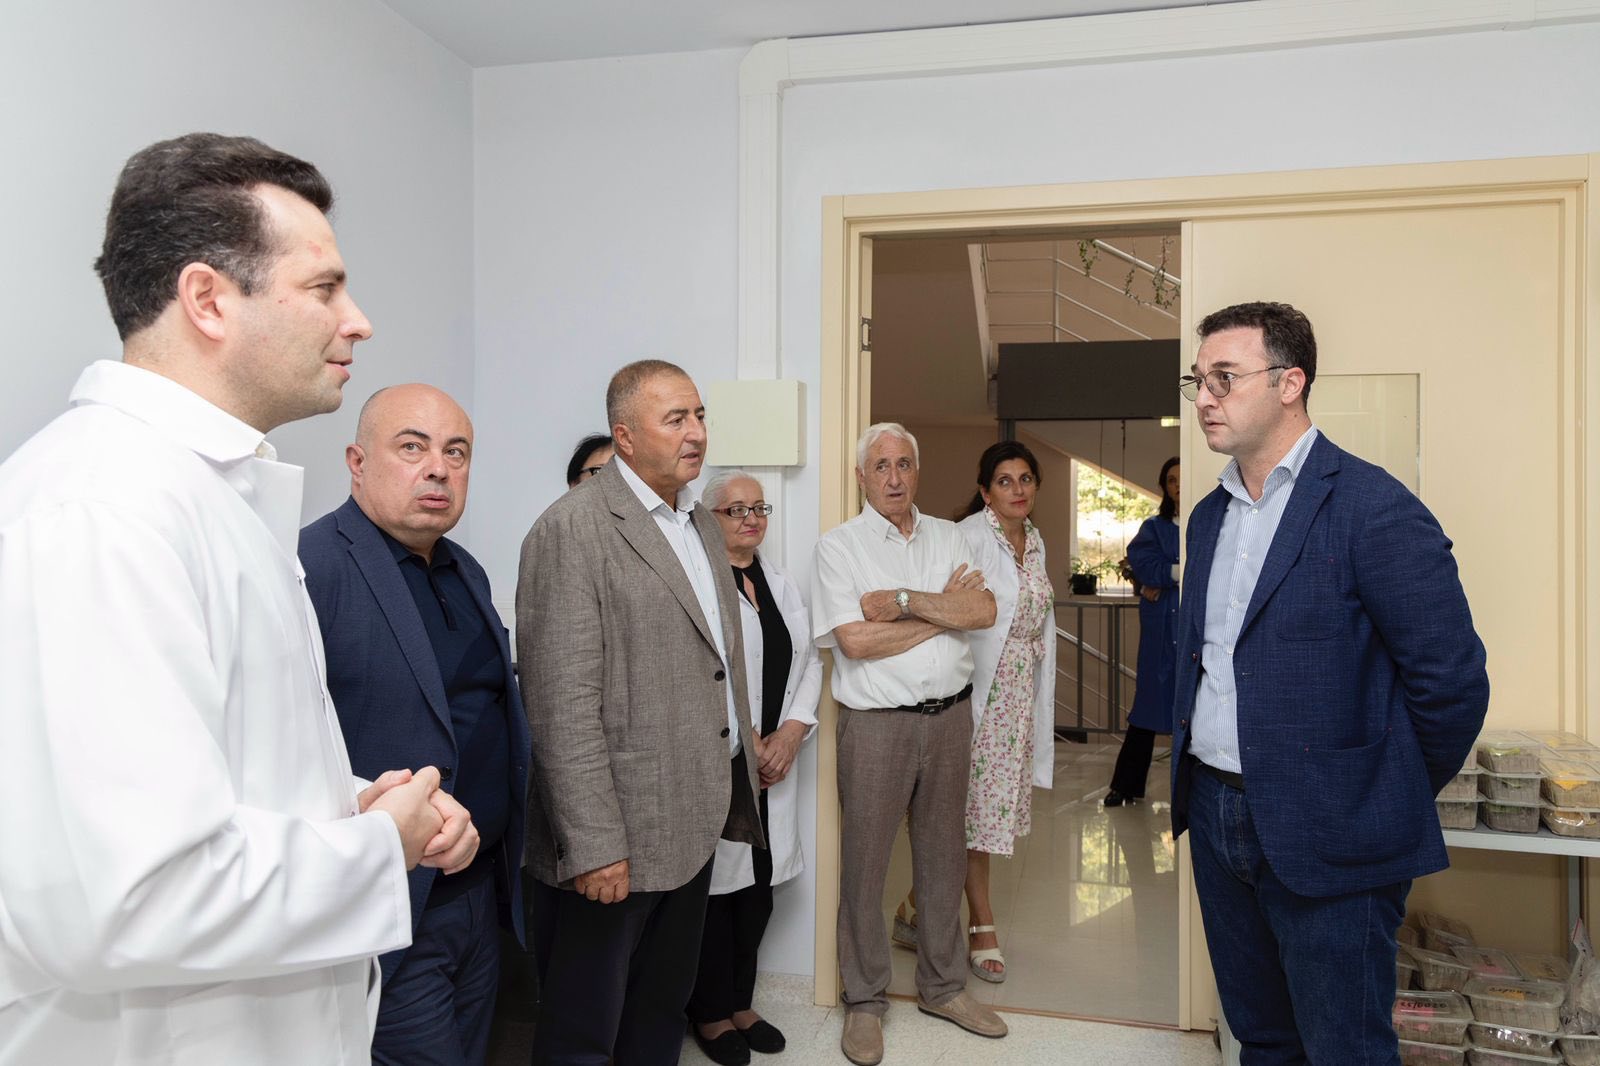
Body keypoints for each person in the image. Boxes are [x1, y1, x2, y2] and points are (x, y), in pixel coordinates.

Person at [0, 133, 450, 1065]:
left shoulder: (206, 494)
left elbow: (214, 777)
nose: (359, 321)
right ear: (207, 299)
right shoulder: (102, 510)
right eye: (324, 288)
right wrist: (379, 848)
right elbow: (129, 896)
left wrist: (355, 804)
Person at [1171, 301, 1489, 1061]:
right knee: (1261, 1037)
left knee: (1345, 1046)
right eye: (1198, 380)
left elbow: (1451, 684)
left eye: (1224, 378)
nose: (1205, 397)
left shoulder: (1373, 508)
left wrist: (1374, 789)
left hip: (1335, 827)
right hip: (1216, 814)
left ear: (1290, 383)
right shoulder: (1209, 517)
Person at [518, 359, 764, 1066]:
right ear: (624, 437)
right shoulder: (572, 529)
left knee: (658, 1013)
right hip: (615, 834)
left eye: (700, 415)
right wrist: (595, 845)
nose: (697, 432)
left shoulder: (702, 524)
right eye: (676, 419)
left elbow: (715, 660)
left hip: (691, 821)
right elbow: (561, 704)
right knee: (584, 1031)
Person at [300, 383, 530, 1066]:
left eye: (456, 453)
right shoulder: (311, 568)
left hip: (480, 890)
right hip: (392, 905)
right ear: (357, 462)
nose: (438, 468)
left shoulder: (466, 571)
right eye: (412, 447)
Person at [812, 422, 1008, 1066]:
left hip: (950, 719)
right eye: (881, 466)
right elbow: (855, 642)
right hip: (876, 726)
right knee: (865, 865)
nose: (894, 478)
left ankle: (943, 988)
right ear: (861, 477)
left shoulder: (951, 536)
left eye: (904, 464)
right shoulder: (839, 548)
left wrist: (900, 603)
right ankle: (865, 1000)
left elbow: (982, 611)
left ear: (917, 472)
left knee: (944, 859)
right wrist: (940, 611)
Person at [894, 441, 1056, 984]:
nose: (1017, 489)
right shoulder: (965, 537)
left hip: (1017, 701)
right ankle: (981, 926)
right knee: (973, 819)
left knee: (985, 815)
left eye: (1025, 479)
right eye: (1004, 481)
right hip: (978, 695)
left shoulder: (1035, 541)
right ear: (986, 492)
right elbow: (945, 606)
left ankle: (912, 909)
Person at [687, 470, 821, 1066]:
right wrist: (749, 742)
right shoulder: (697, 583)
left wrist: (791, 732)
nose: (750, 519)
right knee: (718, 892)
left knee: (759, 888)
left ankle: (741, 1003)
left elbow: (811, 659)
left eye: (759, 508)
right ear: (707, 518)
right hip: (725, 759)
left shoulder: (778, 582)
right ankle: (710, 1012)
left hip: (774, 761)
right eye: (735, 509)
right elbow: (701, 675)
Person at [1105, 456, 1181, 807]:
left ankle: (1193, 797)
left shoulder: (1208, 520)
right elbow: (1144, 565)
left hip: (1193, 630)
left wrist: (1164, 579)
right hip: (1161, 631)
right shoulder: (1155, 527)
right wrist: (1174, 574)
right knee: (1148, 706)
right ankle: (1125, 786)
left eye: (1182, 478)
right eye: (1171, 480)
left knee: (1196, 713)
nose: (1178, 485)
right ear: (1164, 487)